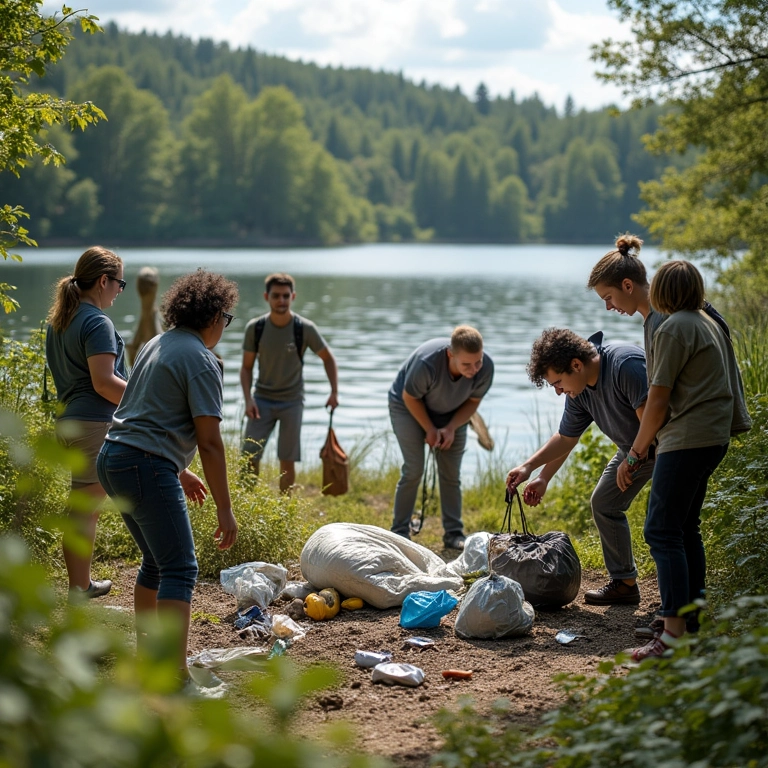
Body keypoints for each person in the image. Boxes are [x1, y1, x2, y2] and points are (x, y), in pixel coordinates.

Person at [97, 269, 239, 685]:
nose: (224, 329)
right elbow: (211, 442)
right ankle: (173, 676)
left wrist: (178, 468)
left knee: (156, 564)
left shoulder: (158, 343)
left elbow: (146, 415)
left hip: (114, 456)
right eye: (226, 319)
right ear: (213, 316)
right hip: (144, 463)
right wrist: (225, 511)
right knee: (180, 567)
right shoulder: (202, 360)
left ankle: (150, 662)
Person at [617, 260, 750, 662]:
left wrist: (635, 453)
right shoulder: (705, 320)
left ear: (660, 292)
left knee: (661, 530)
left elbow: (657, 398)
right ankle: (689, 624)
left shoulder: (674, 326)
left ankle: (671, 633)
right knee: (683, 527)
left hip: (688, 438)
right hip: (711, 437)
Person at [506, 328, 654, 605]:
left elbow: (653, 420)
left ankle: (682, 604)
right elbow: (566, 438)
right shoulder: (579, 391)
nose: (559, 392)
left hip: (668, 445)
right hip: (632, 449)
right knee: (605, 502)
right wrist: (536, 473)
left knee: (662, 525)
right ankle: (624, 584)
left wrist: (633, 459)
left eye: (558, 382)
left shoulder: (625, 365)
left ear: (576, 364)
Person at [45, 246, 128, 600]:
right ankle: (78, 587)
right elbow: (104, 382)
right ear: (104, 281)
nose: (119, 292)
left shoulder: (61, 320)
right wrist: (145, 403)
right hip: (95, 422)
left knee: (82, 508)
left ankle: (80, 584)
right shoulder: (96, 322)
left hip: (72, 421)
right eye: (119, 284)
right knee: (84, 509)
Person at [389, 325, 494, 550]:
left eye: (478, 361)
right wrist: (429, 428)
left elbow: (473, 402)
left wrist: (451, 427)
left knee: (450, 473)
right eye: (466, 364)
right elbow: (410, 397)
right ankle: (399, 532)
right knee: (414, 468)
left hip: (452, 412)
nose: (474, 369)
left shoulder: (485, 369)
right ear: (451, 355)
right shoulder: (427, 364)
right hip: (407, 406)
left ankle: (453, 534)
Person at [240, 273, 338, 493]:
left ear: (293, 296)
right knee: (249, 456)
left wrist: (334, 392)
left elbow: (328, 358)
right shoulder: (255, 328)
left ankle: (284, 510)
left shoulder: (304, 328)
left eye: (285, 296)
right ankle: (243, 504)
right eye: (276, 296)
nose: (281, 301)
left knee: (287, 460)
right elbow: (246, 368)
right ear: (266, 297)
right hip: (261, 401)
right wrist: (248, 399)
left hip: (292, 402)